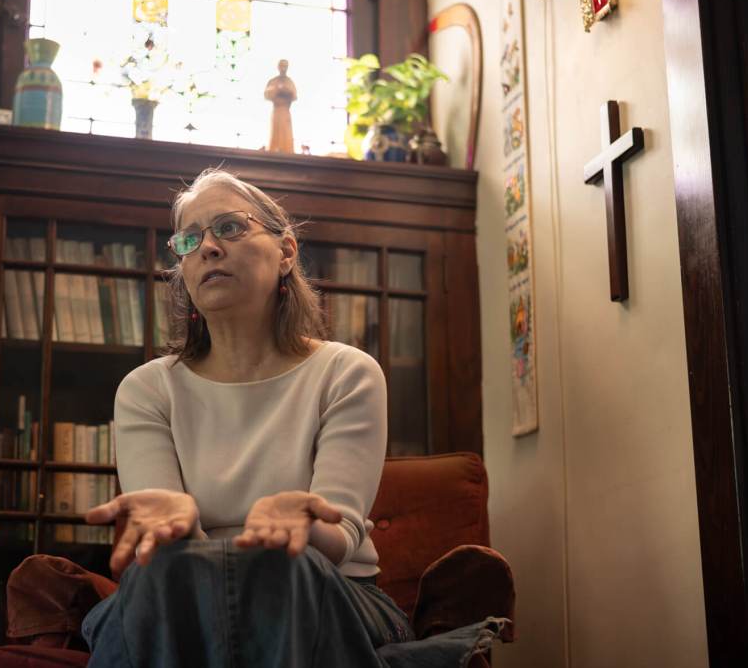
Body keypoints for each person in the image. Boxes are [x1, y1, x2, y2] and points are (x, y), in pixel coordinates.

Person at [81, 168, 505, 667]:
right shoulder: (147, 388)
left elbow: (340, 536)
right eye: (189, 239)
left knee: (287, 569)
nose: (207, 249)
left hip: (336, 591)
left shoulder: (347, 373)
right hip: (185, 593)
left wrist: (301, 530)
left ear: (286, 252)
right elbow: (168, 559)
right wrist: (179, 529)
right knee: (162, 578)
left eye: (230, 228)